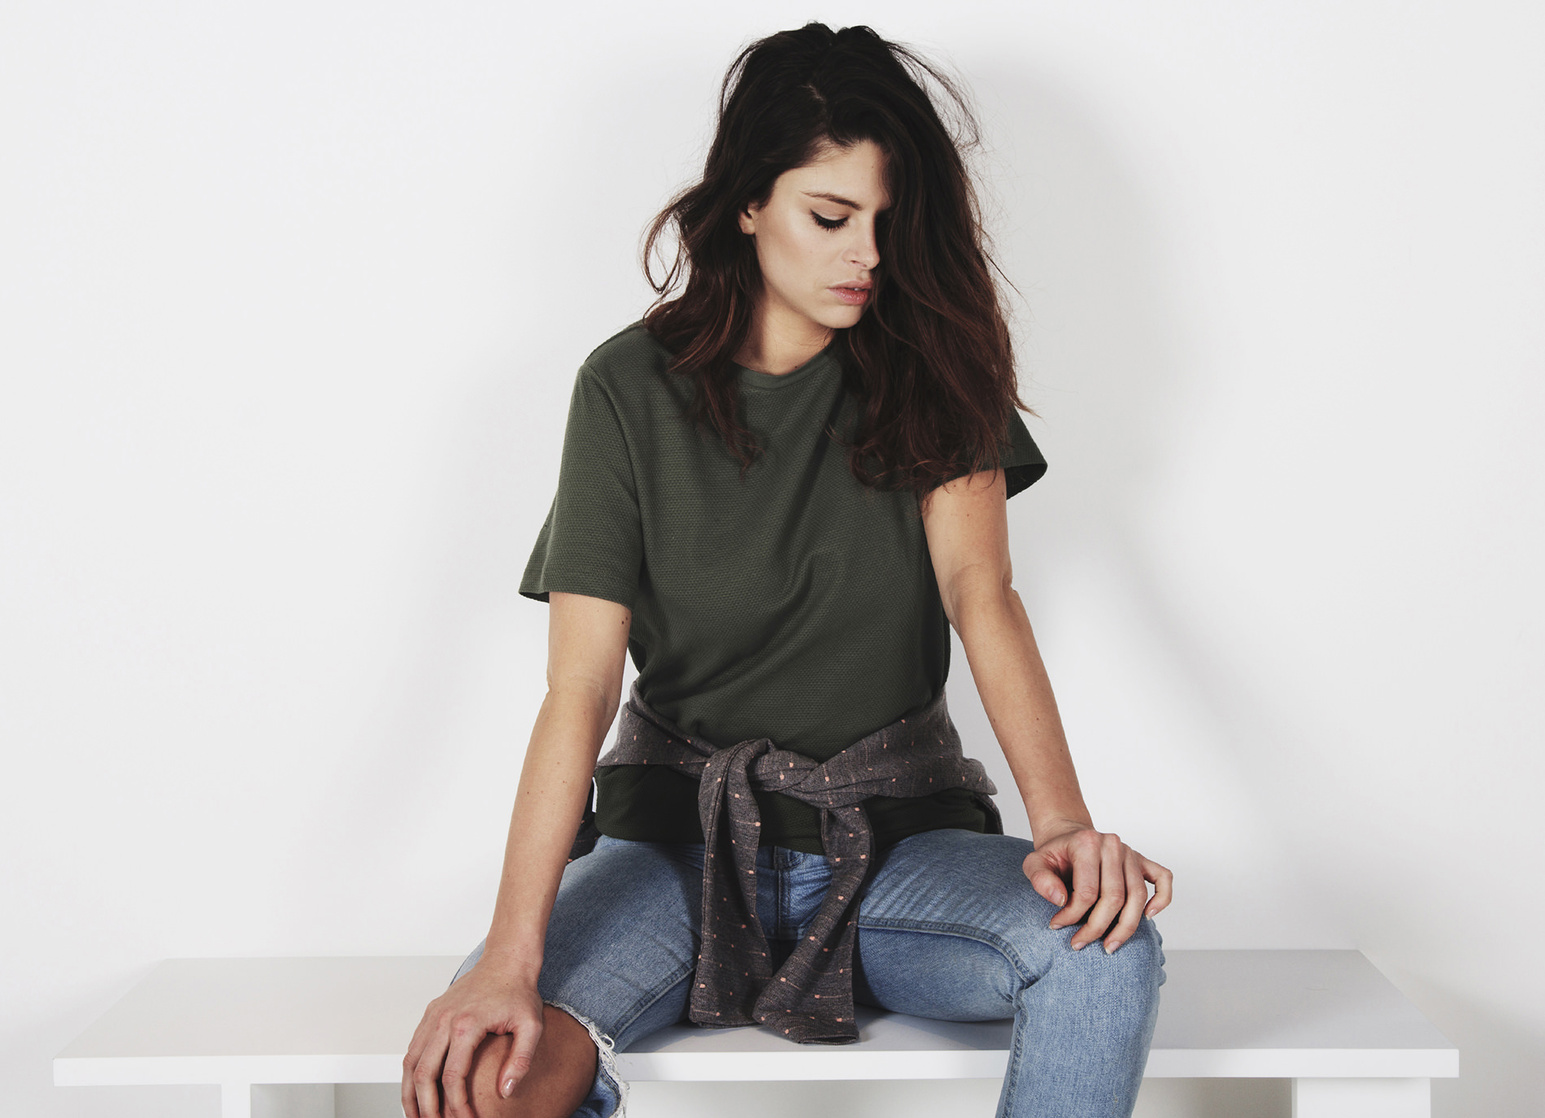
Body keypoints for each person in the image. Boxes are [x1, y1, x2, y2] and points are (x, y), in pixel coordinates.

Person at [402, 22, 1172, 1118]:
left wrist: (1060, 827)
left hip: (896, 857)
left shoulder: (935, 371)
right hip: (672, 854)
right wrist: (509, 960)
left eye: (889, 222)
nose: (868, 254)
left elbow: (981, 597)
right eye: (831, 216)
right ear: (748, 203)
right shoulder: (627, 388)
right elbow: (579, 685)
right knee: (489, 1071)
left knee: (1105, 947)